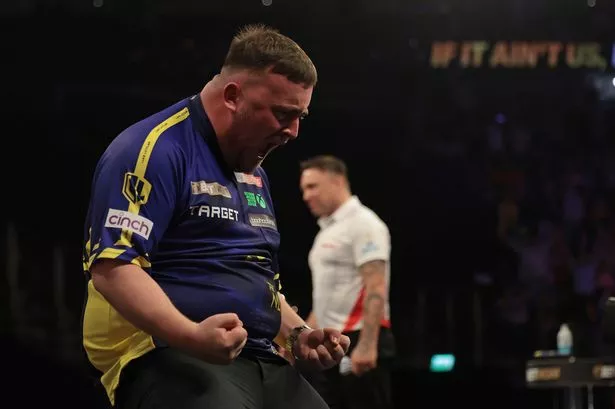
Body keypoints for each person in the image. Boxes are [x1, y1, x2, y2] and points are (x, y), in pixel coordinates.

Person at [81, 24, 350, 409]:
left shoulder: (254, 172)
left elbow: (257, 279)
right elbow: (113, 268)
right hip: (161, 350)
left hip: (257, 355)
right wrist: (189, 335)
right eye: (282, 113)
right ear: (232, 96)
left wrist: (297, 335)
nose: (292, 131)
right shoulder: (154, 149)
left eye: (300, 117)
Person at [299, 155, 396, 409]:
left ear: (338, 182)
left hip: (359, 338)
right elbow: (324, 299)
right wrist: (300, 335)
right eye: (304, 189)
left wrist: (367, 345)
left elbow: (376, 287)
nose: (306, 196)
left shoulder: (364, 224)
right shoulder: (327, 231)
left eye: (312, 187)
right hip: (330, 343)